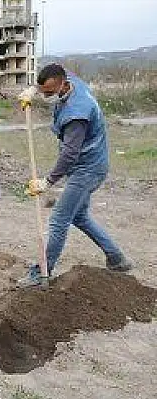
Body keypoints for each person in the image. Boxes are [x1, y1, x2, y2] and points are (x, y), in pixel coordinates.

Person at [17, 63, 133, 287]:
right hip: (87, 165)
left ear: (62, 84)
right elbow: (50, 79)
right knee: (79, 216)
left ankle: (42, 271)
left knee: (59, 219)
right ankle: (117, 259)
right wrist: (34, 89)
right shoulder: (68, 79)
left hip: (88, 169)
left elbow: (70, 154)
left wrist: (47, 182)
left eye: (49, 92)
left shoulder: (76, 113)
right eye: (44, 91)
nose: (47, 96)